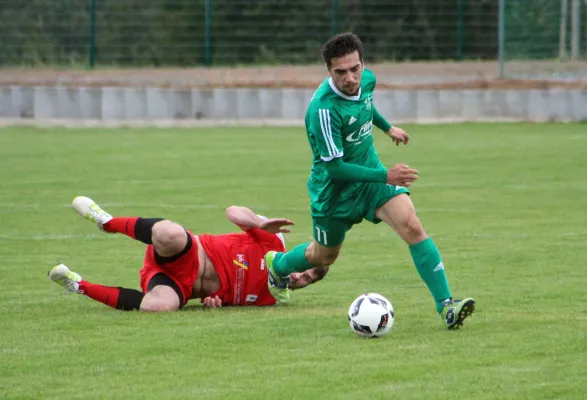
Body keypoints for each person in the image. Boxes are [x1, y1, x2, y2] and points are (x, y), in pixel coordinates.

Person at [264, 32, 475, 329]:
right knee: (323, 256)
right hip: (334, 194)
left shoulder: (367, 80)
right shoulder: (323, 110)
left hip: (371, 179)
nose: (350, 78)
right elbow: (336, 168)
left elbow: (365, 105)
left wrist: (388, 128)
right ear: (328, 71)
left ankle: (447, 307)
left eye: (355, 68)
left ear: (363, 63)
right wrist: (386, 174)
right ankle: (278, 265)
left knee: (412, 226)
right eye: (341, 72)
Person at [48, 196, 328, 311]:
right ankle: (108, 223)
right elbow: (232, 211)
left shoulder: (273, 300)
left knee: (160, 307)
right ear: (301, 254)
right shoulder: (274, 241)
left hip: (180, 286)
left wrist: (214, 304)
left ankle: (78, 285)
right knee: (170, 233)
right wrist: (257, 222)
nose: (300, 276)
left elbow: (227, 301)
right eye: (305, 268)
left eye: (307, 280)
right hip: (188, 253)